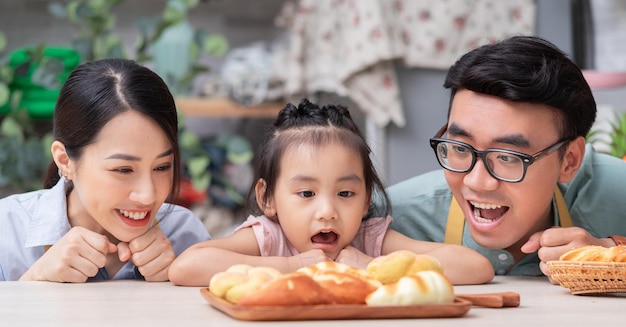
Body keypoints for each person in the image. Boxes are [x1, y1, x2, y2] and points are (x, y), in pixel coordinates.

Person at [168, 98, 494, 286]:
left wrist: (370, 265)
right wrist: (290, 268)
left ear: (367, 198)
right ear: (268, 198)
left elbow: (475, 267)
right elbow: (187, 267)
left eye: (345, 194)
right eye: (307, 194)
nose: (327, 211)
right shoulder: (270, 239)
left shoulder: (369, 240)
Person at [386, 36, 626, 281]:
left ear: (570, 161)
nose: (477, 182)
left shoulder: (615, 191)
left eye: (507, 157)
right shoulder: (388, 213)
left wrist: (611, 251)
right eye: (461, 149)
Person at [0, 58, 211, 282]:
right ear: (65, 161)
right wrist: (35, 278)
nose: (148, 195)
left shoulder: (184, 235)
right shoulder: (7, 229)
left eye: (161, 167)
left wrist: (175, 281)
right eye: (123, 170)